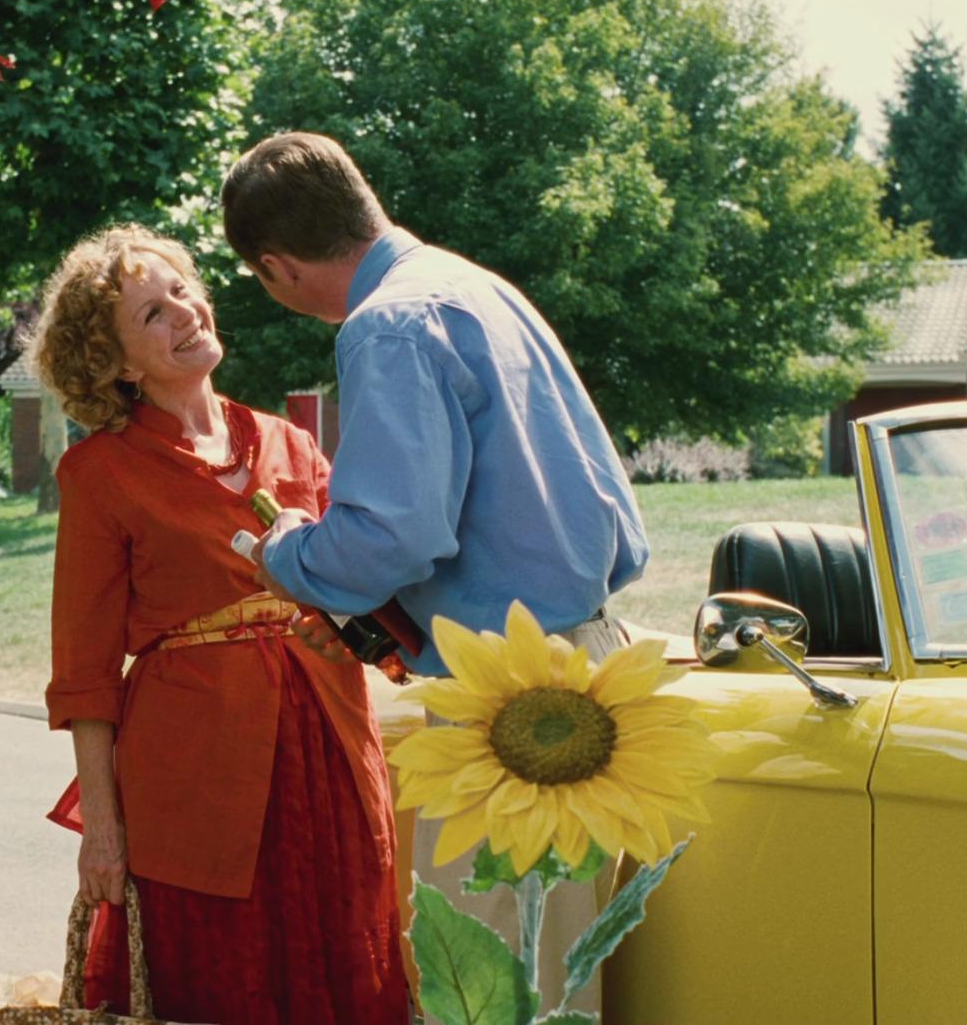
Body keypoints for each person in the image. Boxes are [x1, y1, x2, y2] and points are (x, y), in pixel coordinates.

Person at [224, 131, 650, 1018]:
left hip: (509, 696)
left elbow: (395, 536)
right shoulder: (477, 288)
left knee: (484, 986)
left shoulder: (387, 326)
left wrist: (288, 554)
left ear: (276, 268)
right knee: (558, 979)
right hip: (590, 665)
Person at [33, 224, 410, 1024]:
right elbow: (85, 675)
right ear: (119, 365)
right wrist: (102, 829)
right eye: (152, 314)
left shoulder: (291, 442)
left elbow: (369, 586)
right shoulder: (98, 473)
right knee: (222, 982)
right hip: (194, 778)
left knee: (348, 959)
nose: (183, 312)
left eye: (181, 291)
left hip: (332, 754)